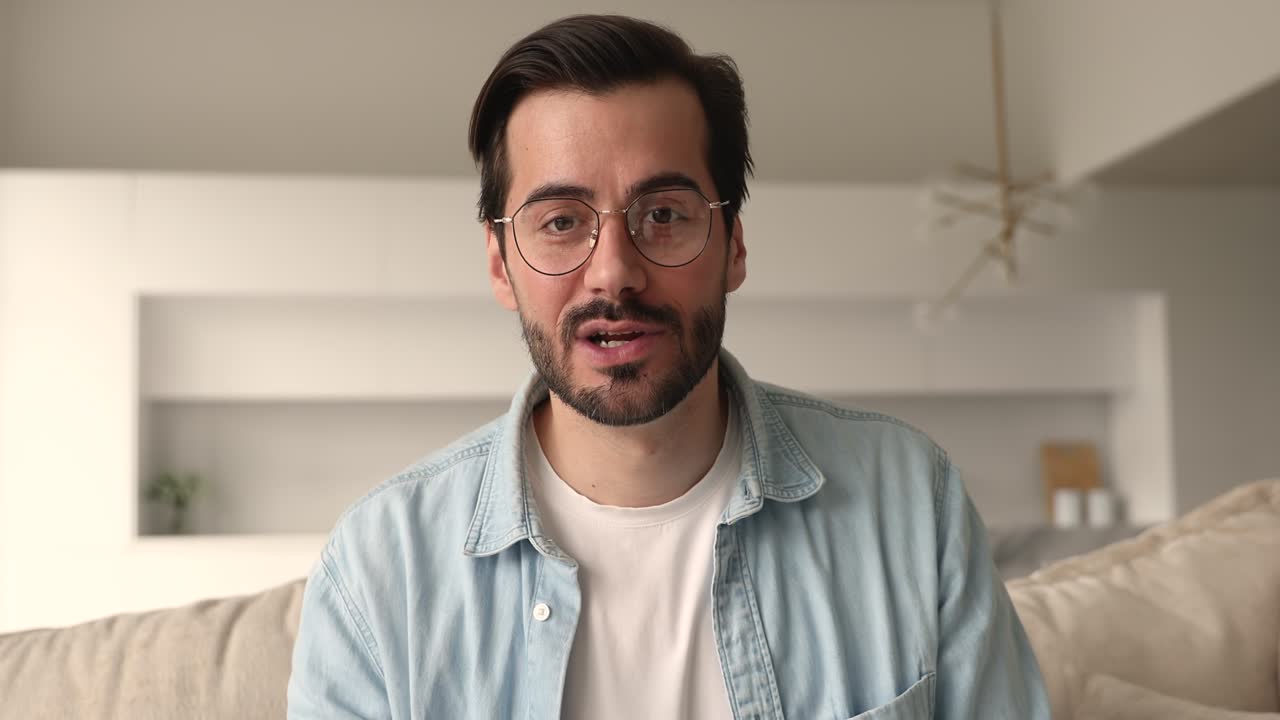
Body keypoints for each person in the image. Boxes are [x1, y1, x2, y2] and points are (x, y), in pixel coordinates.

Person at [287, 14, 1050, 719]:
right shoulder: (381, 572)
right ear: (499, 263)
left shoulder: (911, 504)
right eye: (560, 223)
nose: (613, 273)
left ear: (734, 246)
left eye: (663, 214)